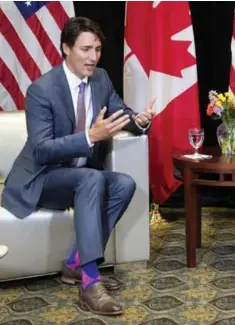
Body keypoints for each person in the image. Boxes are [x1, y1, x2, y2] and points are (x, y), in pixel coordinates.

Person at [1, 17, 155, 316]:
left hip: (80, 176)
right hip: (40, 179)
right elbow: (42, 149)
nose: (93, 57)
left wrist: (138, 121)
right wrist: (90, 136)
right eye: (85, 49)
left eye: (97, 49)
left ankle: (73, 264)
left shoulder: (101, 78)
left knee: (124, 184)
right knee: (91, 179)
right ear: (66, 48)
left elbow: (119, 111)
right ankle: (90, 281)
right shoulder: (41, 90)